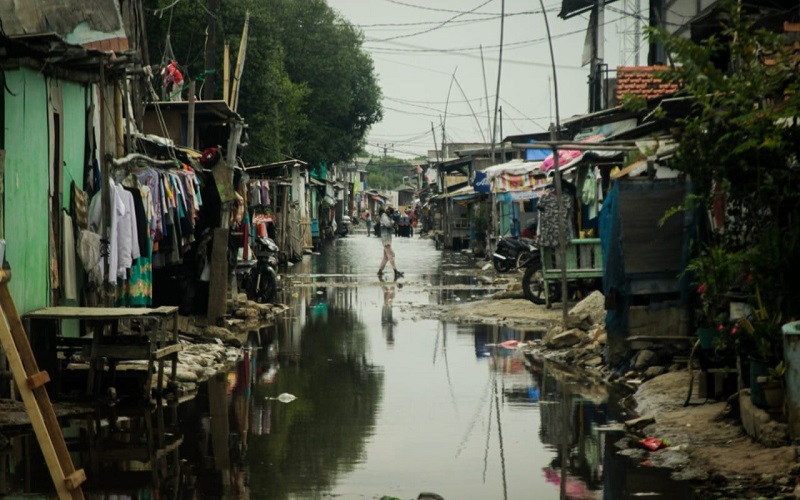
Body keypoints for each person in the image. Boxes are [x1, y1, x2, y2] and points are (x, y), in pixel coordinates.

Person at [377, 205, 403, 278]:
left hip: (387, 237)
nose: (390, 211)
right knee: (391, 254)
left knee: (386, 257)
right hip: (385, 237)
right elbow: (388, 224)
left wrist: (394, 223)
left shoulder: (386, 216)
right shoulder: (384, 216)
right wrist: (393, 223)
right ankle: (395, 271)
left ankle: (380, 271)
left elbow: (391, 225)